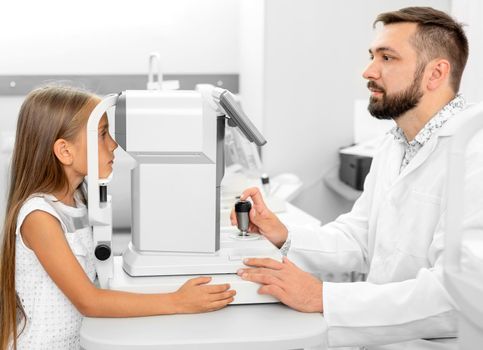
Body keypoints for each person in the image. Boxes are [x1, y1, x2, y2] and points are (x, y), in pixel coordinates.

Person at [231, 7, 483, 349]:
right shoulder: (395, 142)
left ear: (435, 73)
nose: (369, 71)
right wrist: (283, 234)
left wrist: (322, 297)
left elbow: (462, 292)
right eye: (372, 56)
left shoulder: (473, 150)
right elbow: (361, 238)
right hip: (379, 337)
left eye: (387, 57)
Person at [0, 85, 236, 350]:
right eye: (102, 134)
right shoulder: (39, 217)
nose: (114, 144)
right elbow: (89, 301)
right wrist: (177, 301)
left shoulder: (78, 199)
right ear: (65, 151)